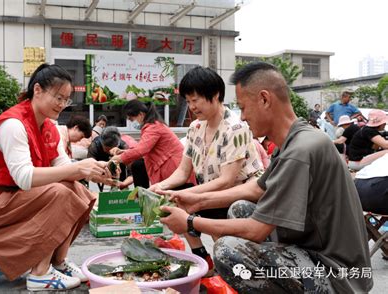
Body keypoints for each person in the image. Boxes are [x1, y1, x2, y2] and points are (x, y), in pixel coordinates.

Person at [160, 62, 372, 293]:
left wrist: (190, 222)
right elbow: (255, 190)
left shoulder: (300, 151)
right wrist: (197, 201)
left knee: (228, 250)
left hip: (335, 272)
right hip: (311, 248)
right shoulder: (293, 141)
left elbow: (257, 230)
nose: (242, 116)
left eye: (243, 107)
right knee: (240, 208)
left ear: (264, 99)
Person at [0, 64, 112, 291]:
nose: (62, 104)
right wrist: (77, 170)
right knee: (60, 192)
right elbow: (24, 177)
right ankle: (39, 274)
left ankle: (57, 262)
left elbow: (63, 166)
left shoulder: (49, 126)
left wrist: (93, 168)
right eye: (58, 97)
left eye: (66, 99)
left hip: (10, 195)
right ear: (37, 90)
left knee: (78, 191)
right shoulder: (13, 124)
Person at [148, 66, 262, 274]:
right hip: (211, 190)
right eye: (188, 101)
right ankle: (203, 257)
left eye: (195, 100)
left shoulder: (235, 127)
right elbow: (183, 172)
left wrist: (184, 194)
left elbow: (226, 181)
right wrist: (161, 187)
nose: (191, 107)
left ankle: (228, 264)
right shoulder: (195, 128)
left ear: (215, 95)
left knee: (185, 199)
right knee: (173, 200)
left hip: (239, 194)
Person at [110, 100, 194, 189]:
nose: (131, 122)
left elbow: (140, 150)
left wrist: (119, 158)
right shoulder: (153, 125)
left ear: (141, 114)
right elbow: (143, 147)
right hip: (172, 168)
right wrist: (124, 152)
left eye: (131, 119)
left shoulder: (153, 127)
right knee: (138, 164)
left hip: (173, 169)